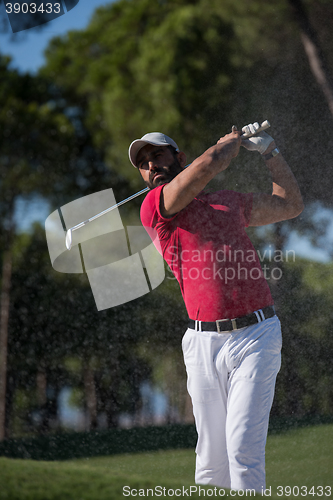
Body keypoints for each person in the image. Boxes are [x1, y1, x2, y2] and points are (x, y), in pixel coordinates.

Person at [128, 123, 303, 492]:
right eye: (143, 163)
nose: (151, 165)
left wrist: (270, 151)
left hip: (256, 335)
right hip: (202, 344)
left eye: (157, 154)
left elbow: (290, 205)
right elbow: (211, 162)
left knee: (242, 451)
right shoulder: (155, 208)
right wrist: (229, 142)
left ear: (179, 158)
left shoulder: (229, 201)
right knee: (209, 464)